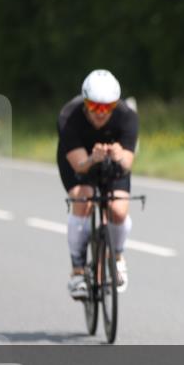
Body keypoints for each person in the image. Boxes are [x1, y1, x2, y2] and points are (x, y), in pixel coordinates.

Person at [56, 70, 138, 299]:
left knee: (118, 210)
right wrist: (93, 158)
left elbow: (128, 163)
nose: (101, 114)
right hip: (79, 161)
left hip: (112, 164)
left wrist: (119, 155)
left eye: (107, 107)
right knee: (83, 198)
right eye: (95, 107)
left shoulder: (127, 116)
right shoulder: (68, 116)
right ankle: (78, 271)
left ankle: (118, 257)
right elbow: (80, 165)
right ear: (85, 103)